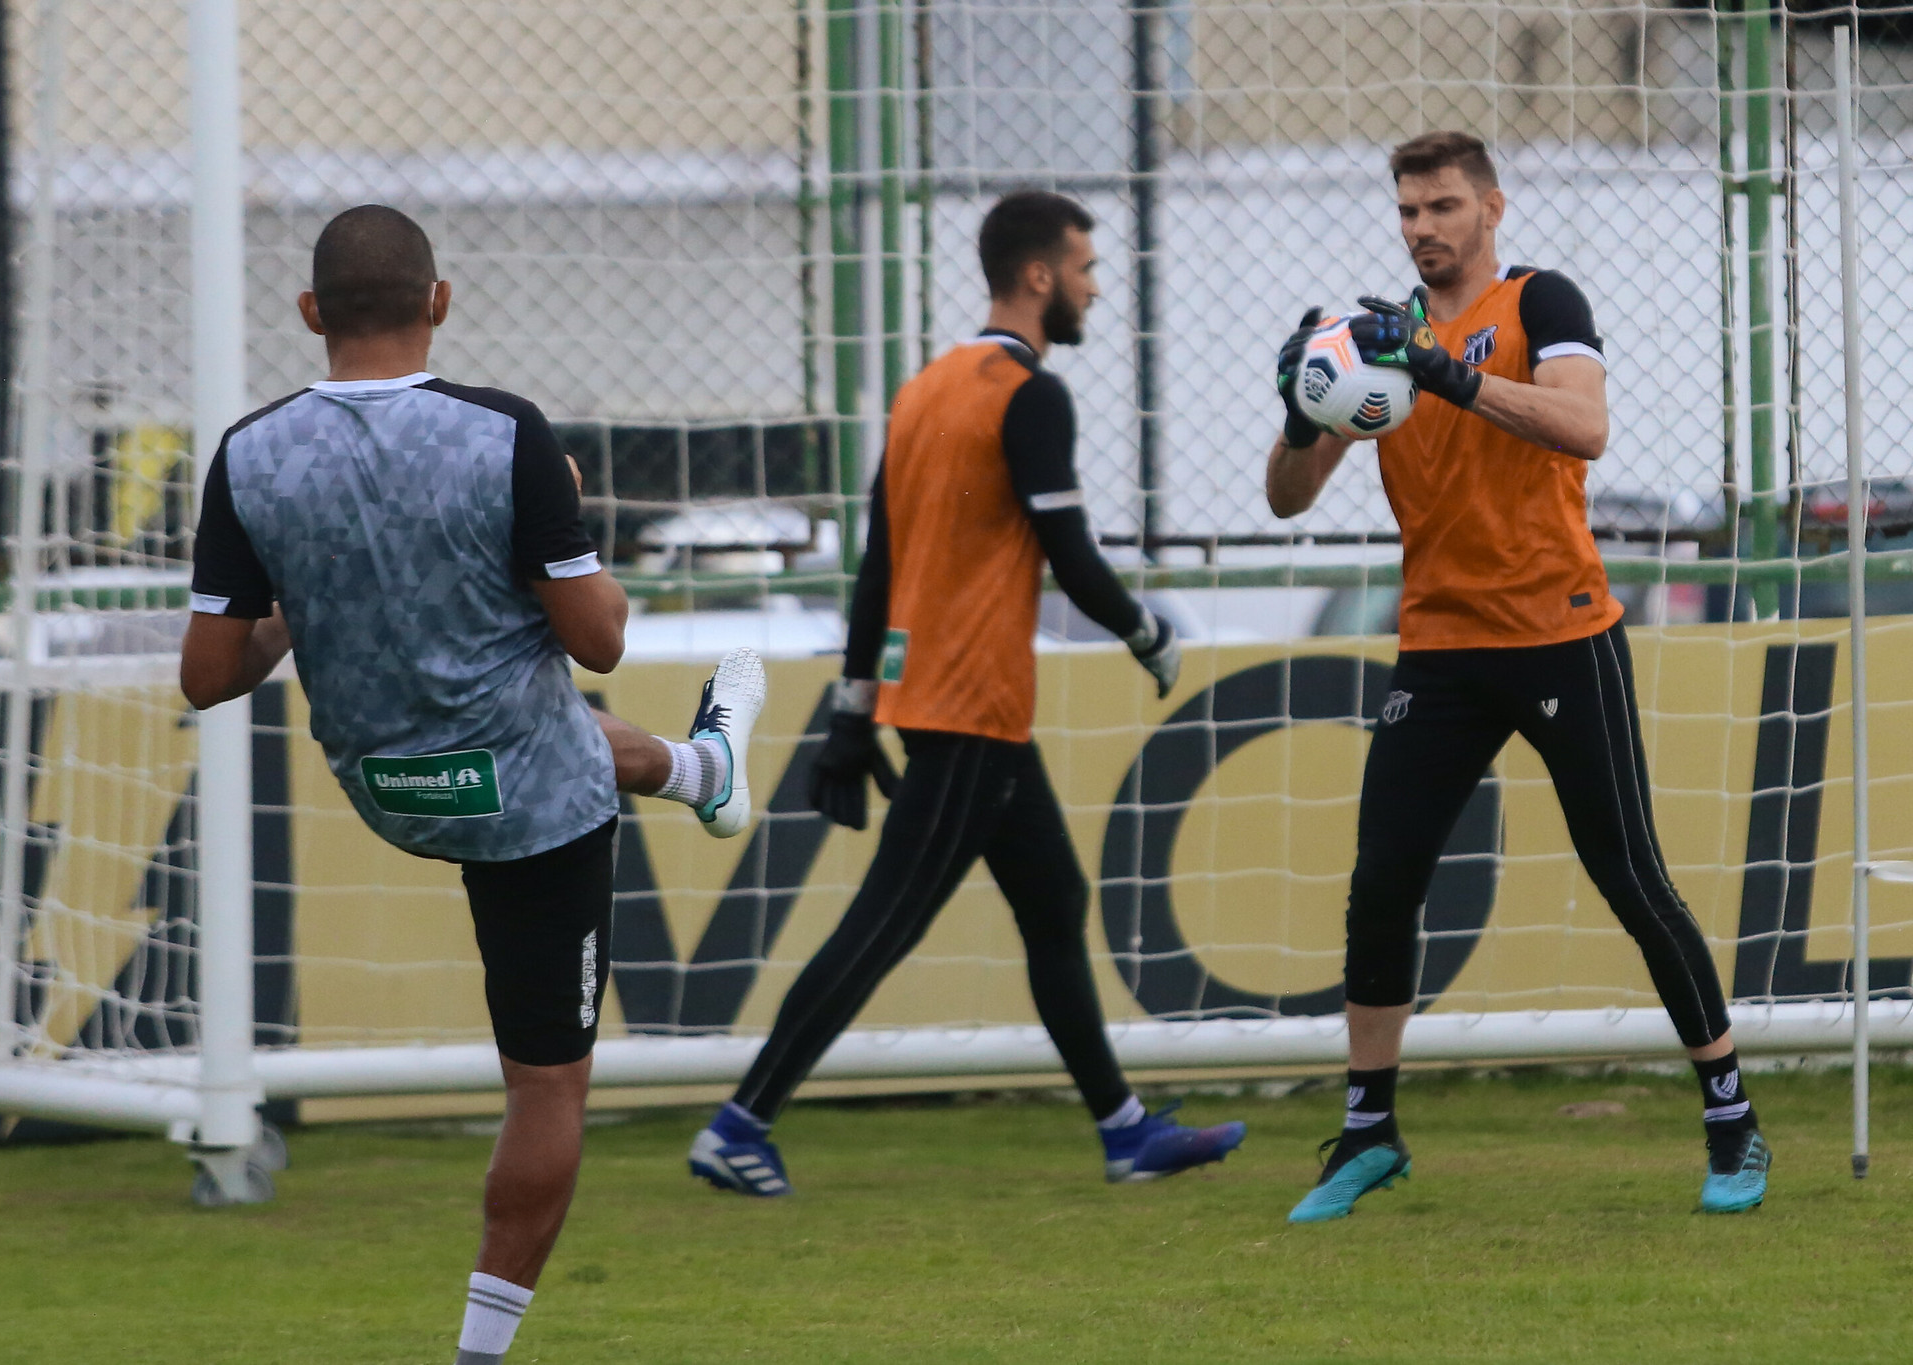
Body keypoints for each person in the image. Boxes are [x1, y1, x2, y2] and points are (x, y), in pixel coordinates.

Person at [179, 204, 765, 1365]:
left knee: (560, 726)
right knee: (546, 1091)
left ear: (309, 315)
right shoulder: (505, 436)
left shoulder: (249, 452)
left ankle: (702, 766)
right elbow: (597, 638)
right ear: (438, 302)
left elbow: (208, 677)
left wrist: (311, 587)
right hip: (528, 801)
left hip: (392, 785)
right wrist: (559, 509)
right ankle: (479, 1355)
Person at [685, 190, 1245, 1198]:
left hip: (939, 702)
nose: (1092, 285)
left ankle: (1123, 1133)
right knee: (882, 925)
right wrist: (1144, 631)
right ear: (1037, 276)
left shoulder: (928, 387)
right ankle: (738, 1123)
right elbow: (1068, 553)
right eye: (1083, 267)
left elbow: (878, 566)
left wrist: (854, 711)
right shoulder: (1029, 395)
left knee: (1052, 902)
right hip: (968, 709)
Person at [1266, 131, 1769, 1222]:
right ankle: (1366, 1131)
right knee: (1380, 883)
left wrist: (1446, 374)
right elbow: (1286, 501)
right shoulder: (1374, 342)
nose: (1421, 228)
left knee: (1628, 876)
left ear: (1490, 206)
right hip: (1439, 648)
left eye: (1441, 206)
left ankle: (1730, 1114)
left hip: (1558, 633)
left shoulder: (1540, 300)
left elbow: (1582, 426)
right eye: (1406, 210)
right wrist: (1297, 404)